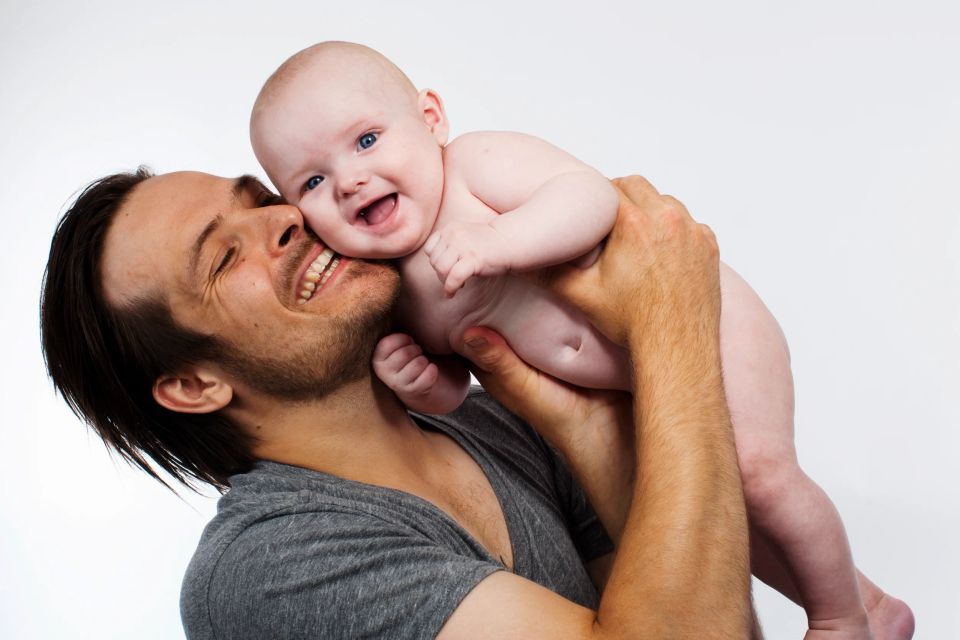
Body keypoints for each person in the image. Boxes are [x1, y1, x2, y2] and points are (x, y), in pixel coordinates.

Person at [248, 42, 913, 639]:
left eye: (366, 141)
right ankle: (867, 600)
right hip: (640, 377)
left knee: (761, 474)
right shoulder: (395, 291)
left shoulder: (475, 167)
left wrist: (500, 240)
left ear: (430, 118)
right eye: (312, 181)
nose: (350, 180)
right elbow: (461, 383)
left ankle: (842, 620)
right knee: (725, 511)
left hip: (705, 322)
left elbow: (588, 195)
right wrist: (425, 381)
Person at [41, 169, 754, 638]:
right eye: (224, 258)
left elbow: (714, 615)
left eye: (258, 201)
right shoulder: (268, 570)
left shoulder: (497, 422)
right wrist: (671, 322)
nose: (287, 218)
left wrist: (581, 424)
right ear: (195, 386)